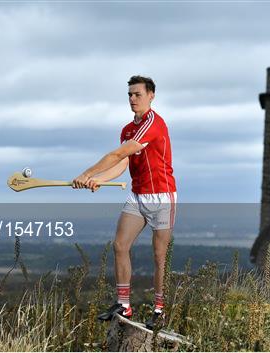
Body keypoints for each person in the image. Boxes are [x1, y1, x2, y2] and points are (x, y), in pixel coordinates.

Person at [72, 75, 177, 329]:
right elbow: (121, 164)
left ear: (151, 95)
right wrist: (96, 180)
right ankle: (124, 305)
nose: (132, 99)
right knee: (120, 245)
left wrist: (88, 173)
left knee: (159, 256)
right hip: (138, 195)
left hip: (162, 196)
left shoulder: (153, 124)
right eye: (129, 95)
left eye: (137, 94)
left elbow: (117, 153)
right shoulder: (128, 129)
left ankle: (159, 310)